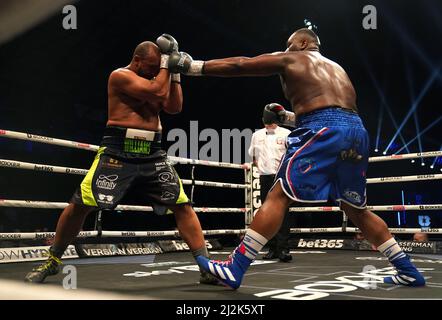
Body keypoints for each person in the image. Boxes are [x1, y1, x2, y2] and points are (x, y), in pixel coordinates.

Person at [168, 28, 426, 289]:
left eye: (289, 44)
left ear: (303, 43)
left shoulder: (294, 58)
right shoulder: (337, 68)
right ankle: (407, 270)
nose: (286, 49)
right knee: (356, 209)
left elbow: (241, 64)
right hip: (356, 132)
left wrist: (192, 66)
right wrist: (288, 119)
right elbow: (334, 109)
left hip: (323, 129)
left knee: (279, 195)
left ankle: (235, 268)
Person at [25, 35, 217, 285]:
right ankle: (53, 260)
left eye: (158, 66)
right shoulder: (120, 76)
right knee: (81, 204)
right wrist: (168, 64)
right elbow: (156, 91)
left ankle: (205, 266)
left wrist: (176, 72)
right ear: (137, 61)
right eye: (151, 66)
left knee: (182, 205)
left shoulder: (157, 77)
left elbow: (174, 107)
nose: (155, 71)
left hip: (153, 152)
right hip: (117, 151)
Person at [249, 104, 291, 262]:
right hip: (265, 177)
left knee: (283, 213)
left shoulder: (287, 134)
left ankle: (284, 249)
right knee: (266, 214)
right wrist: (261, 169)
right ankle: (272, 248)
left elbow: (291, 156)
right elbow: (253, 156)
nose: (268, 125)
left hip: (281, 177)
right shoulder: (257, 135)